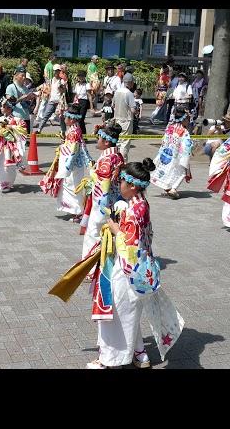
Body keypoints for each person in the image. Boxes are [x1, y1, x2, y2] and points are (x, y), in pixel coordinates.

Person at [85, 158, 184, 369]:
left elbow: (130, 244)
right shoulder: (139, 204)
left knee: (117, 313)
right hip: (138, 268)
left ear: (131, 185)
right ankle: (140, 354)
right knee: (129, 312)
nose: (117, 183)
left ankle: (111, 361)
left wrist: (113, 228)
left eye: (120, 180)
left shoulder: (133, 210)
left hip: (127, 268)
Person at [78, 122, 125, 270]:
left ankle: (91, 268)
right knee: (108, 233)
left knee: (94, 233)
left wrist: (99, 206)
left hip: (102, 202)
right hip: (115, 200)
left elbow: (103, 185)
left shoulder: (106, 159)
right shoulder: (118, 156)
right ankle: (106, 263)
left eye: (99, 138)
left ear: (106, 142)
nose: (97, 140)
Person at [39, 104, 93, 220]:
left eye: (66, 117)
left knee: (73, 187)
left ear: (72, 119)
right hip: (73, 163)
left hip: (72, 164)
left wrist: (62, 148)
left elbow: (72, 150)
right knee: (71, 186)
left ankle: (78, 212)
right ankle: (75, 210)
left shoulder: (74, 131)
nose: (64, 119)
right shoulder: (74, 129)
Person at [150, 107, 193, 199]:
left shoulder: (170, 127)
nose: (188, 122)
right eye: (188, 120)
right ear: (184, 119)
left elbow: (164, 140)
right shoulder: (184, 132)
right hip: (178, 155)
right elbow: (187, 145)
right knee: (182, 172)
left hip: (167, 153)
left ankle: (166, 187)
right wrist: (188, 154)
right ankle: (173, 189)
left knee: (168, 170)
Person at [33, 64, 66, 134]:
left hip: (59, 102)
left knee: (61, 117)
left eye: (57, 71)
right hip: (51, 101)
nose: (56, 72)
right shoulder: (51, 80)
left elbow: (63, 91)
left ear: (59, 71)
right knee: (45, 116)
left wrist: (61, 88)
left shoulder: (62, 81)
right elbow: (47, 89)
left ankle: (63, 131)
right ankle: (39, 130)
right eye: (55, 71)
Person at [5, 65, 36, 133]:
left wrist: (32, 98)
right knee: (15, 140)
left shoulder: (25, 88)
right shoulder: (11, 87)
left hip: (26, 116)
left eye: (25, 76)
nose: (24, 77)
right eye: (22, 75)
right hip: (15, 117)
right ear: (16, 76)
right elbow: (9, 103)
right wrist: (20, 98)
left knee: (25, 140)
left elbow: (29, 103)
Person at [113, 73, 136, 160]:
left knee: (118, 141)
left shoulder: (117, 91)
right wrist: (136, 111)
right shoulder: (129, 93)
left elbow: (113, 105)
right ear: (130, 82)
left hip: (117, 119)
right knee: (125, 142)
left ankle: (116, 160)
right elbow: (133, 110)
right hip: (126, 120)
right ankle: (122, 162)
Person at [72, 69, 91, 135]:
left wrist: (92, 107)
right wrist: (73, 103)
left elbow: (89, 95)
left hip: (84, 102)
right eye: (79, 76)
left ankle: (83, 135)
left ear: (84, 77)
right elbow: (76, 95)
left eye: (82, 76)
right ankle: (79, 134)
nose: (80, 78)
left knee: (81, 119)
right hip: (78, 102)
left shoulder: (87, 84)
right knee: (77, 119)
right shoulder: (77, 85)